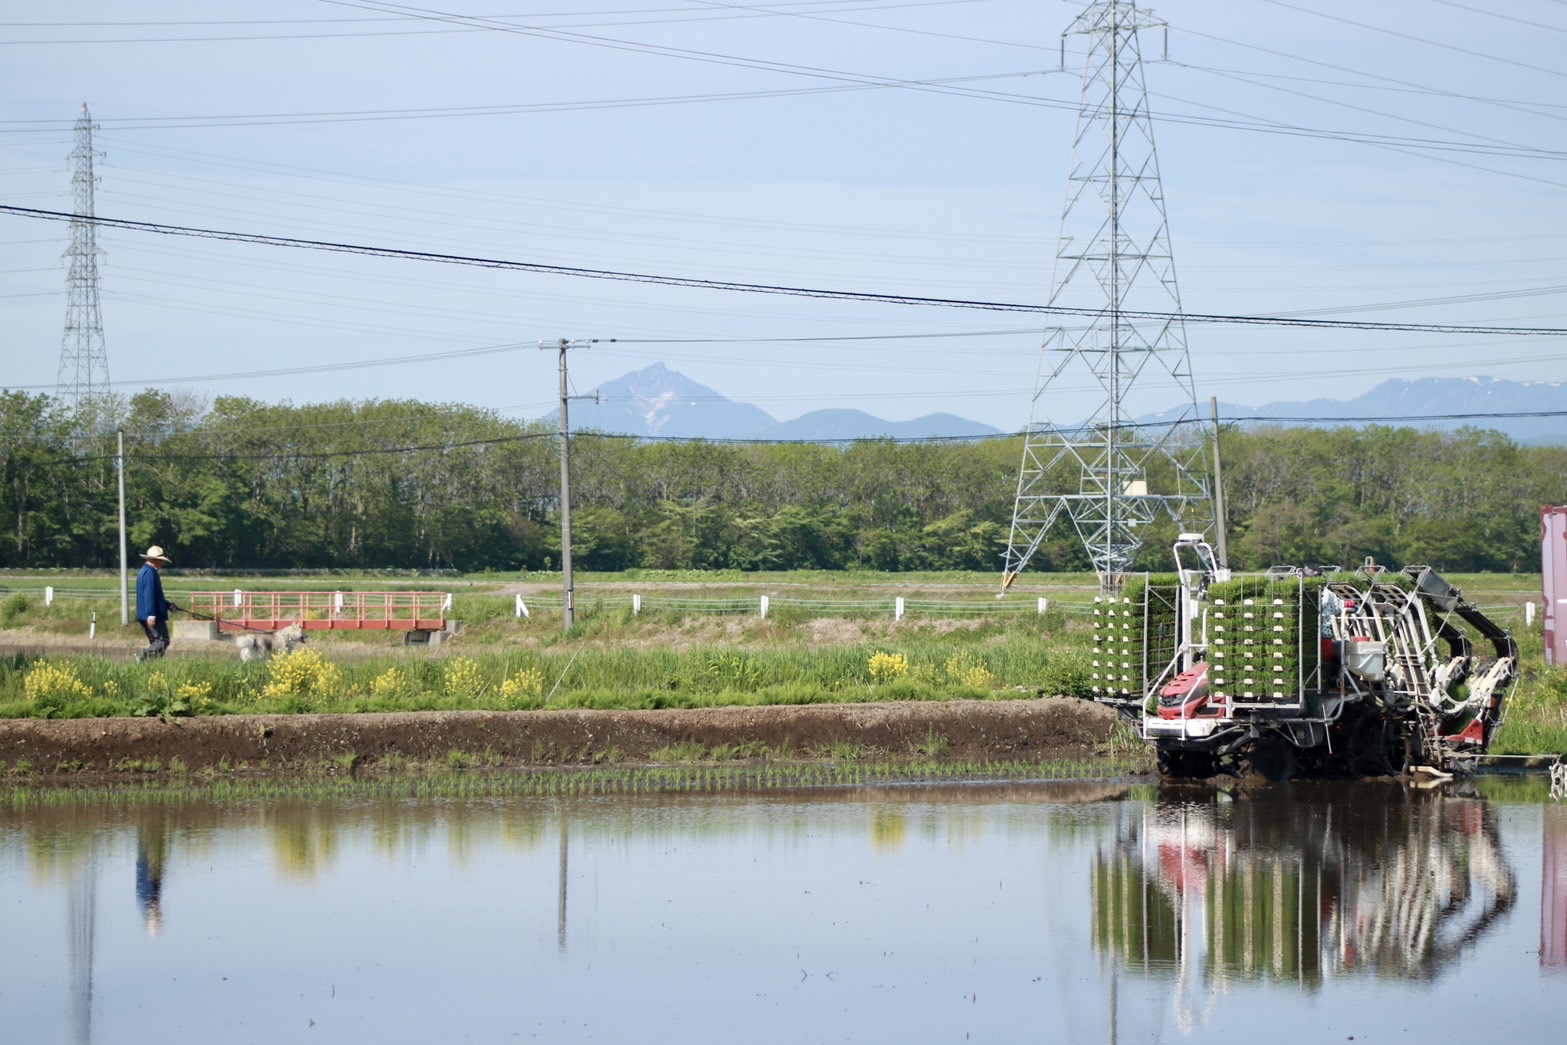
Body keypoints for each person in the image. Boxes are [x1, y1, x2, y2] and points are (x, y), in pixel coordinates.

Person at [136, 544, 177, 661]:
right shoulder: (150, 574)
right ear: (156, 560)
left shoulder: (146, 571)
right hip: (151, 614)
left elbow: (156, 596)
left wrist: (168, 605)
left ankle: (153, 665)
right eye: (161, 561)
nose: (162, 564)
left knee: (156, 641)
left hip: (147, 613)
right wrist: (151, 614)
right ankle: (144, 658)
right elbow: (149, 595)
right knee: (163, 640)